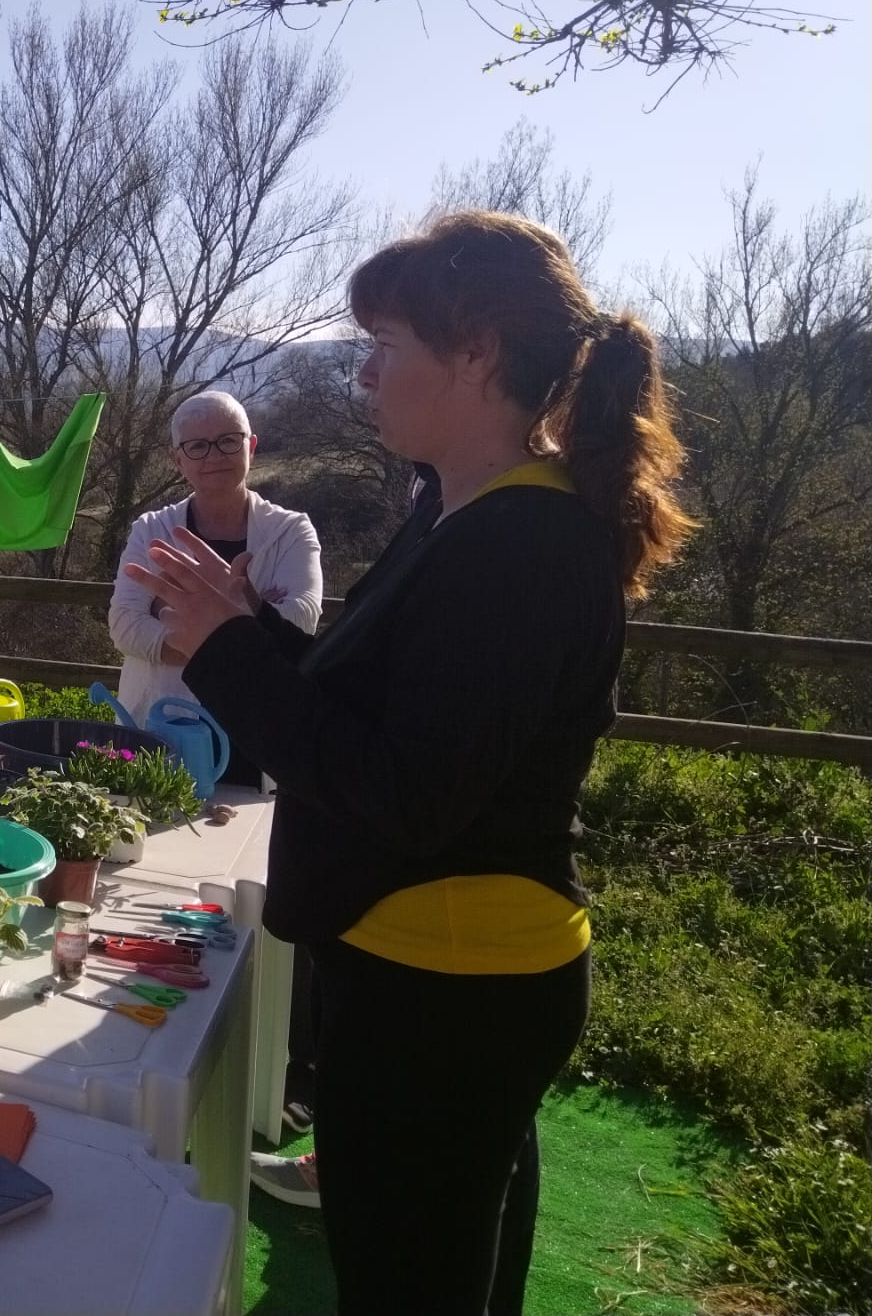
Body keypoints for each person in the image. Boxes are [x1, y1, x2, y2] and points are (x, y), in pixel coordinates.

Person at [126, 210, 692, 1316]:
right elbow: (371, 706)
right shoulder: (466, 516)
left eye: (381, 347)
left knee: (408, 1287)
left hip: (449, 992)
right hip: (433, 975)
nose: (365, 377)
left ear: (475, 350)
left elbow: (403, 793)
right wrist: (240, 625)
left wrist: (229, 652)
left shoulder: (519, 545)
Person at [107, 389, 323, 780]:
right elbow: (125, 627)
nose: (214, 456)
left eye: (228, 441)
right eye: (197, 446)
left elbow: (300, 620)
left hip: (256, 739)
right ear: (177, 459)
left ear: (251, 446)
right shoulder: (152, 530)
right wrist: (248, 621)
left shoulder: (290, 530)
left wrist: (171, 616)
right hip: (162, 731)